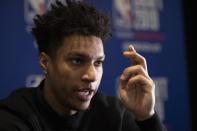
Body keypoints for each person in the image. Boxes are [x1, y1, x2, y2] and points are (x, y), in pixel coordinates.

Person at [0, 0, 167, 131]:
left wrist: (147, 118)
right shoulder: (15, 117)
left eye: (98, 62)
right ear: (46, 62)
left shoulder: (115, 114)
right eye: (77, 61)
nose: (92, 75)